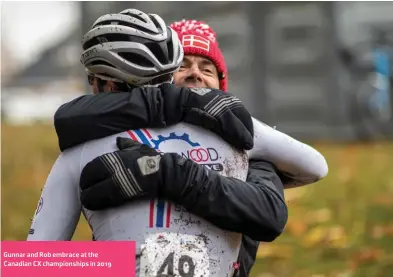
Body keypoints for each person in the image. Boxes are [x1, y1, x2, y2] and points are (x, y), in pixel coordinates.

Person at [52, 18, 328, 277]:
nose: (195, 75)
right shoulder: (91, 143)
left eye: (207, 69)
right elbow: (33, 261)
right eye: (183, 66)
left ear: (222, 86)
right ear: (158, 78)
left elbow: (272, 211)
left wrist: (167, 172)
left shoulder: (247, 144)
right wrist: (119, 261)